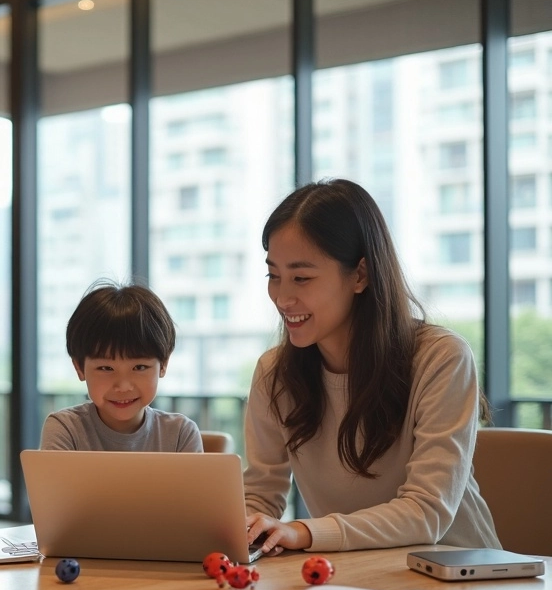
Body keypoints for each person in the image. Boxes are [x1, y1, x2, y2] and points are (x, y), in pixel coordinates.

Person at [244, 179, 500, 556]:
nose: (282, 297)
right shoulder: (274, 373)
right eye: (274, 276)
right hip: (351, 575)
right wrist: (245, 526)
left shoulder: (441, 358)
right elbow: (261, 495)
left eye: (301, 278)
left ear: (360, 275)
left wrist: (303, 532)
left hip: (458, 574)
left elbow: (426, 512)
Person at [40, 282, 202, 452]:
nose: (123, 386)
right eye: (106, 368)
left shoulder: (181, 434)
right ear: (79, 368)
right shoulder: (65, 429)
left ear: (163, 364)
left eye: (139, 367)